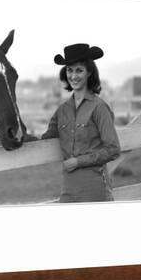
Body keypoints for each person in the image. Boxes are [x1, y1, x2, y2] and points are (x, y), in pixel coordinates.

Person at [41, 43, 120, 202]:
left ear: (89, 72)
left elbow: (113, 149)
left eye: (79, 70)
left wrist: (78, 162)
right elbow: (46, 138)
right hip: (68, 188)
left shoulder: (99, 107)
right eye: (70, 70)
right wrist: (18, 136)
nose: (73, 76)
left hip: (95, 186)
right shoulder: (62, 111)